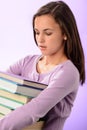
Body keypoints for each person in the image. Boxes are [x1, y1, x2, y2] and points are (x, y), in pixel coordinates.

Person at [0, 1, 85, 130]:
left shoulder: (68, 73)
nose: (40, 39)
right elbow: (2, 88)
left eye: (48, 33)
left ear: (65, 34)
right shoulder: (26, 61)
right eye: (37, 32)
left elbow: (33, 111)